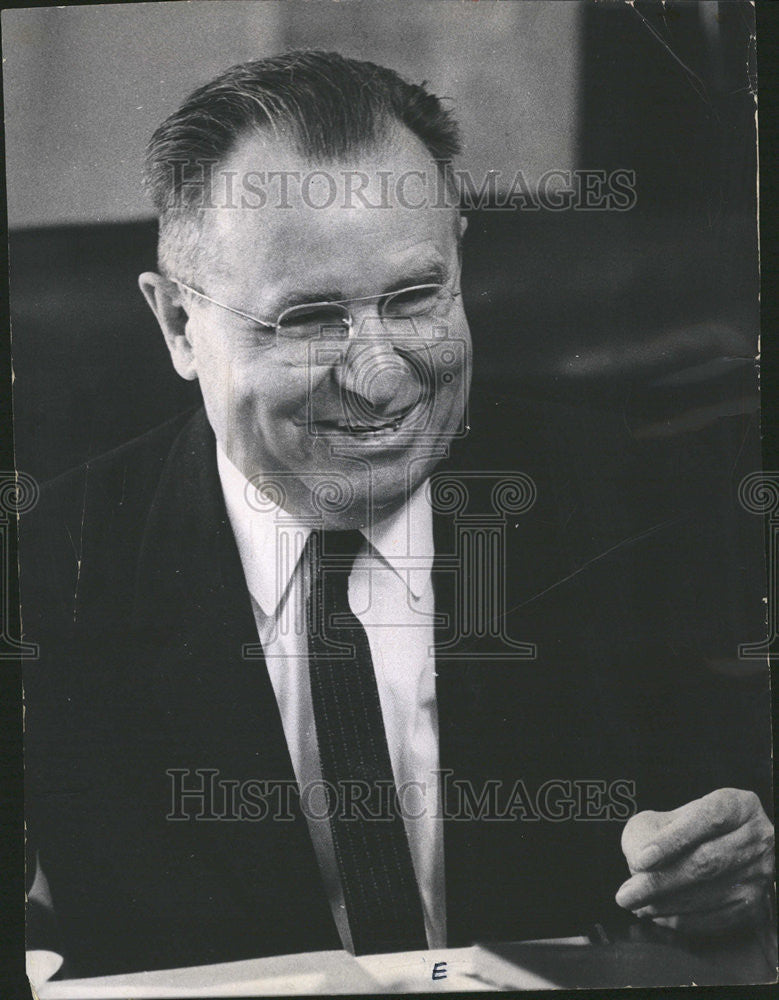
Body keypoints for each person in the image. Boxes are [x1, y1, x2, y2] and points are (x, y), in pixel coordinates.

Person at [22, 50, 774, 979]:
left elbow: (735, 834)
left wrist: (740, 868)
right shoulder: (43, 572)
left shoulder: (646, 506)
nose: (381, 377)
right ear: (179, 323)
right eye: (308, 320)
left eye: (416, 298)